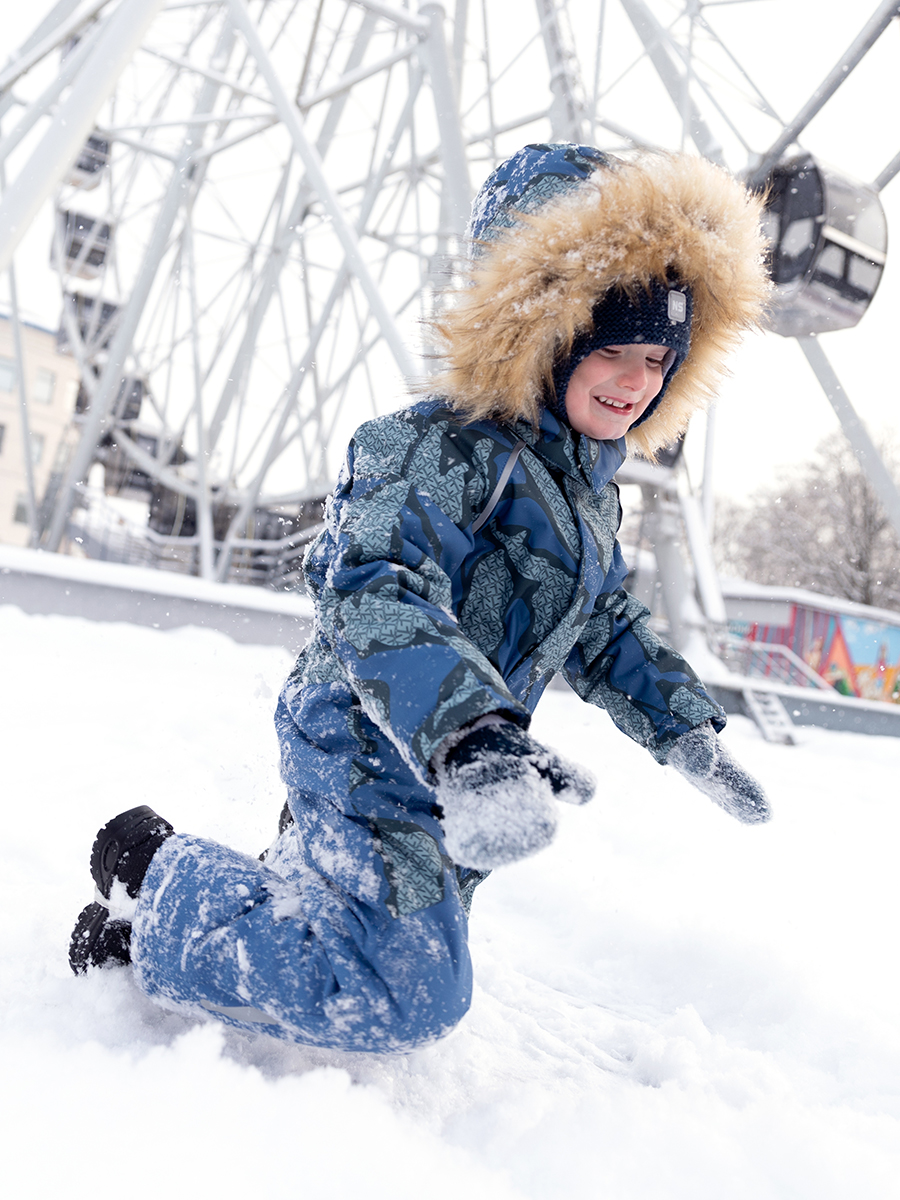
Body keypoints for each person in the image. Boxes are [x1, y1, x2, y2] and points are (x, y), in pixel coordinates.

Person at [69, 144, 772, 1053]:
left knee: (371, 927)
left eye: (657, 358)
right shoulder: (433, 449)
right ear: (545, 328)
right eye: (613, 349)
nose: (636, 382)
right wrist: (473, 737)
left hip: (467, 755)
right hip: (369, 735)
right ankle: (151, 882)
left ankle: (273, 900)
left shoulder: (590, 496)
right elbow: (375, 590)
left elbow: (601, 623)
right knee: (405, 993)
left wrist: (682, 726)